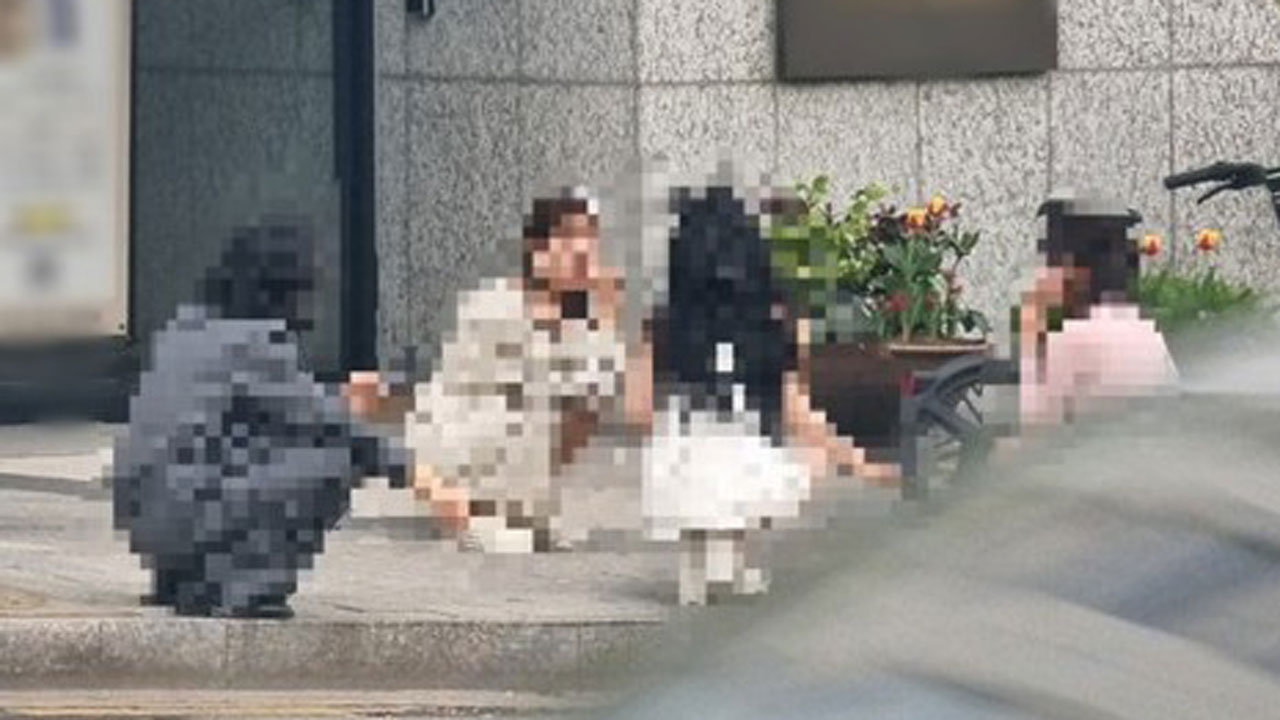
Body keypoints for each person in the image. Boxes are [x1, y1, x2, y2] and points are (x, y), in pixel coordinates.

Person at [110, 217, 407, 619]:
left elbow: (272, 411)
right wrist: (414, 469)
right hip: (186, 516)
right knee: (332, 462)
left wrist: (336, 401)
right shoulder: (257, 340)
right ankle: (246, 588)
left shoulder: (186, 329)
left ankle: (179, 580)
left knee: (242, 451)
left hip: (146, 521)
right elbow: (326, 425)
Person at [636, 181, 899, 606]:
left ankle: (696, 572)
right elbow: (795, 409)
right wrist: (857, 462)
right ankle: (738, 565)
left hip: (684, 453)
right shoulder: (771, 326)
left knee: (701, 482)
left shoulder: (668, 328)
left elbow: (638, 408)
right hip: (748, 445)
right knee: (753, 478)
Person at [398, 188, 631, 553]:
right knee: (540, 408)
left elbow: (601, 391)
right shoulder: (496, 305)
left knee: (581, 408)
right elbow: (534, 387)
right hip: (466, 439)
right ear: (537, 248)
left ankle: (520, 509)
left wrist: (607, 319)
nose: (582, 251)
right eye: (568, 238)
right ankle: (476, 514)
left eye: (590, 238)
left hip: (519, 452)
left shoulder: (577, 321)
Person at [1016, 249, 1179, 429]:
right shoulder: (1150, 335)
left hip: (1089, 438)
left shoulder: (1071, 339)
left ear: (1073, 279)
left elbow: (1036, 416)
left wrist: (1031, 316)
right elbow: (1171, 393)